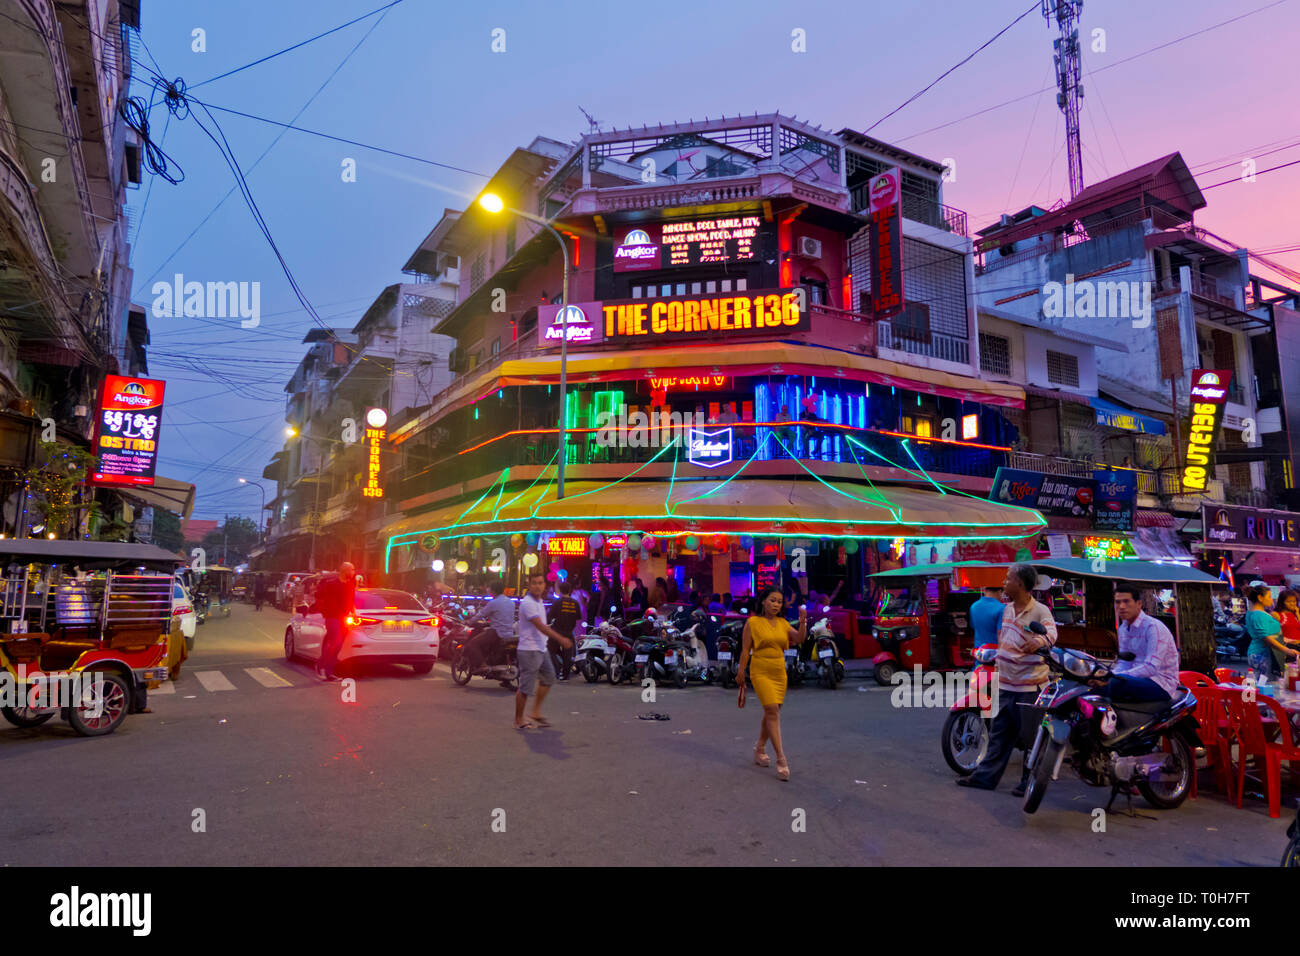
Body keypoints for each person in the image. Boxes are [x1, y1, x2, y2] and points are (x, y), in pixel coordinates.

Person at [958, 563, 1057, 796]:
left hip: (1030, 685)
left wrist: (1039, 642)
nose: (1004, 582)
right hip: (1006, 682)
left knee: (1031, 737)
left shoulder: (1041, 611)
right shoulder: (1006, 610)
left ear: (1020, 584)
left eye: (1008, 578)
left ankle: (1029, 781)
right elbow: (1003, 639)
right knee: (999, 734)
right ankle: (985, 777)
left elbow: (1051, 635)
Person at [736, 586, 807, 781]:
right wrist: (741, 671)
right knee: (773, 711)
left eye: (779, 602)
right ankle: (781, 759)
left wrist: (803, 621)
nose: (776, 604)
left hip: (779, 671)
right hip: (760, 670)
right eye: (772, 600)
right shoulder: (752, 622)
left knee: (771, 711)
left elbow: (800, 638)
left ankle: (759, 748)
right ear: (763, 601)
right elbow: (745, 650)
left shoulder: (783, 623)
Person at [1101, 584, 1180, 702]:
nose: (1121, 606)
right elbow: (1124, 663)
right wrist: (1106, 677)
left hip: (1160, 683)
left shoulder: (1153, 627)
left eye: (1126, 601)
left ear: (1139, 604)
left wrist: (1116, 678)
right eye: (1118, 602)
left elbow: (1151, 667)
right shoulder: (1123, 629)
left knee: (1114, 684)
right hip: (1135, 680)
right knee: (1090, 686)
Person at [515, 569, 573, 730]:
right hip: (529, 650)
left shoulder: (539, 602)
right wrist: (560, 638)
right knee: (526, 687)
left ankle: (535, 712)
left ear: (544, 585)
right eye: (534, 583)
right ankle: (519, 719)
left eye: (540, 583)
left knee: (549, 677)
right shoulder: (528, 603)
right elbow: (540, 626)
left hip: (541, 648)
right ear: (529, 585)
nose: (537, 586)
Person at [465, 579, 516, 685]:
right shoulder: (511, 602)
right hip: (509, 633)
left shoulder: (494, 603)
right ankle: (505, 680)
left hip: (496, 632)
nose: (488, 590)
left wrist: (469, 621)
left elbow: (481, 614)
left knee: (472, 644)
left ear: (493, 590)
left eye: (489, 588)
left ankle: (483, 665)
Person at [313, 562, 357, 682]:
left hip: (344, 618)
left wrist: (353, 613)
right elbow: (318, 595)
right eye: (352, 570)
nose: (353, 572)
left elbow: (351, 601)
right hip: (332, 617)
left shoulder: (350, 585)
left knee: (338, 646)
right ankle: (320, 665)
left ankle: (329, 672)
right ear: (345, 571)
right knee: (335, 642)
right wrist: (324, 609)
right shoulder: (331, 584)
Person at [1244, 584, 1297, 679]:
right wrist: (1287, 651)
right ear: (1260, 598)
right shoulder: (1259, 615)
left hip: (1261, 653)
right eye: (1269, 596)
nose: (1272, 599)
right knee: (1266, 685)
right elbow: (1266, 639)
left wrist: (1286, 640)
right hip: (1262, 654)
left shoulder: (1253, 613)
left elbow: (1270, 635)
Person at [548, 580, 581, 681]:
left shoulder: (557, 602)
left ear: (560, 590)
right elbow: (578, 617)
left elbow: (550, 616)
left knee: (550, 650)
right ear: (569, 590)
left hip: (557, 631)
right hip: (569, 631)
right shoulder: (575, 603)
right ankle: (566, 675)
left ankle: (557, 669)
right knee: (568, 654)